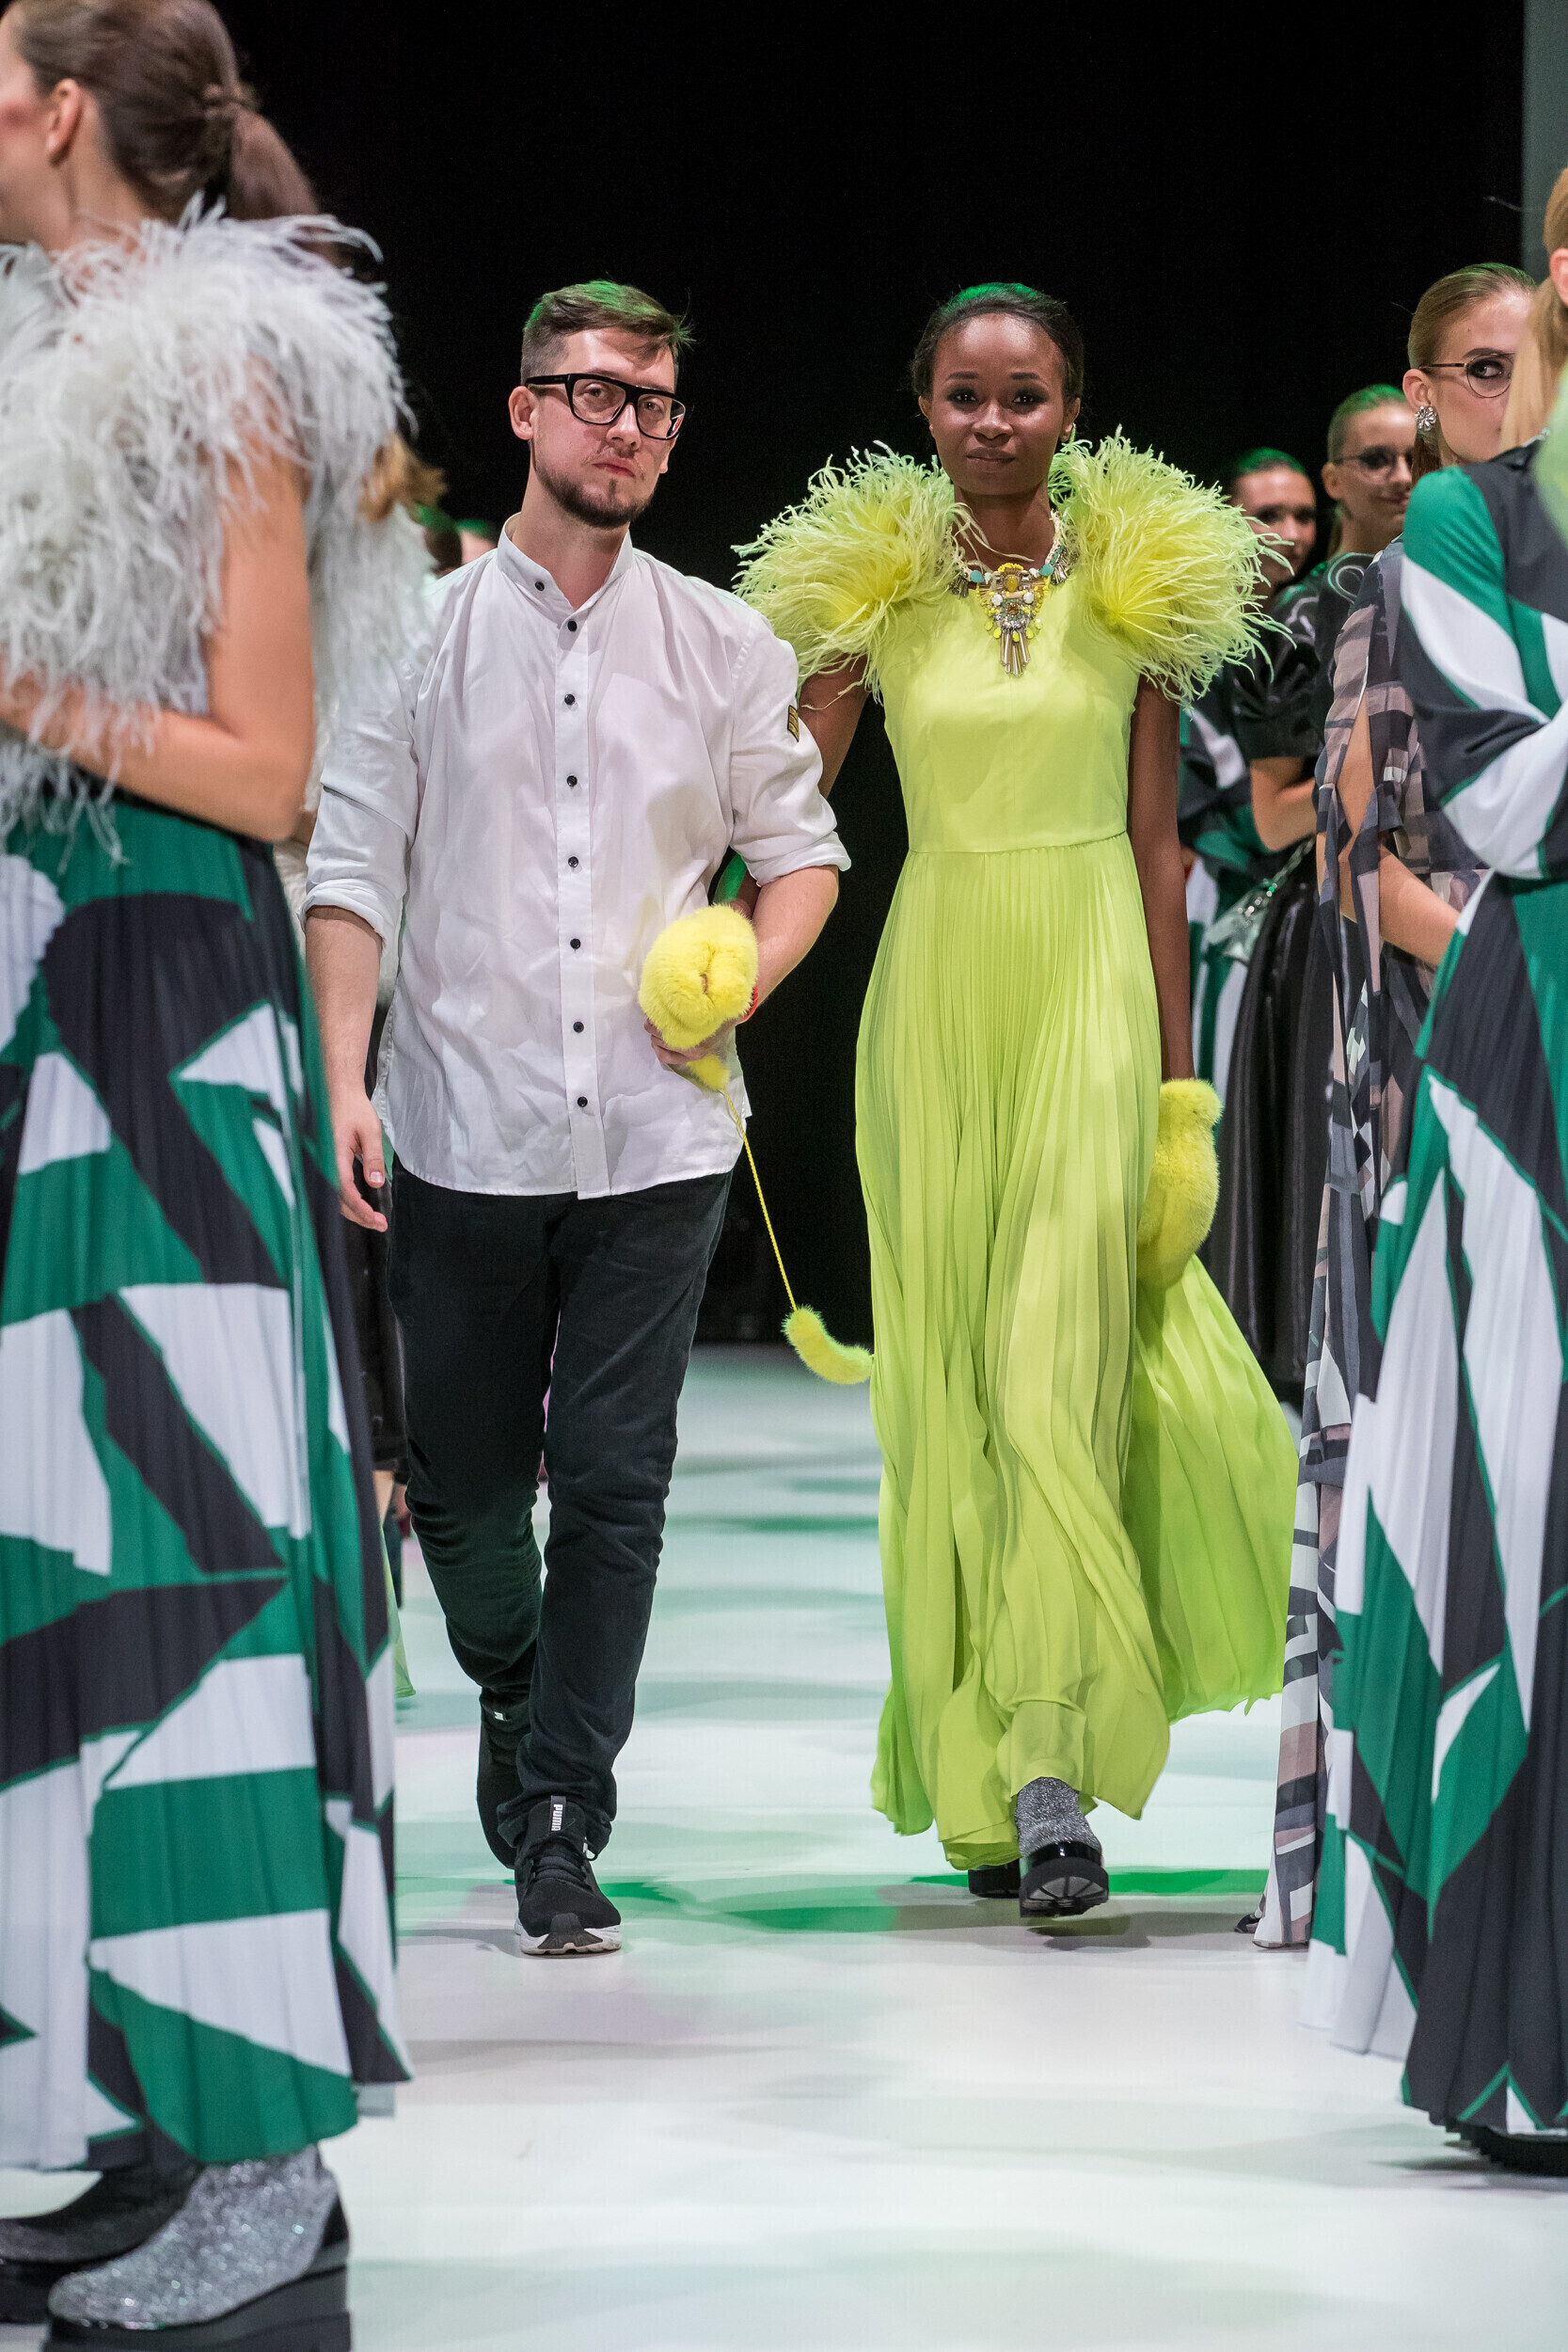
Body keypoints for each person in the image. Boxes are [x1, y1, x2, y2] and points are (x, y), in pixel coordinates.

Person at [0, 0, 420, 2342]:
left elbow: (263, 766)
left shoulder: (222, 359)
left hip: (167, 1001)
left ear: (60, 108)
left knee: (195, 1549)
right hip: (67, 985)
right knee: (72, 1543)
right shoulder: (56, 350)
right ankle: (154, 2115)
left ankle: (263, 2160)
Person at [737, 283, 1296, 1919]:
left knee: (1057, 1373)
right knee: (953, 1395)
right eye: (966, 395)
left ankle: (1052, 1766)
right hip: (932, 993)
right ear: (924, 408)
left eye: (1024, 394)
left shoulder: (1137, 579)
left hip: (1086, 985)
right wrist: (711, 964)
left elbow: (1157, 847)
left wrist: (1178, 1090)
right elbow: (784, 810)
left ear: (1070, 409)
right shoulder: (869, 588)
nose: (993, 420)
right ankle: (980, 1771)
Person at [306, 278, 847, 1959]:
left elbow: (802, 855)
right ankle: (515, 1685)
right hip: (459, 1119)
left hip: (658, 1133)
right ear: (526, 407)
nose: (627, 427)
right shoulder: (408, 631)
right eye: (596, 393)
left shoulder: (722, 641)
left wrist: (745, 973)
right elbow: (349, 867)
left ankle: (560, 1816)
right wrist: (341, 1076)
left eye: (655, 404)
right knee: (465, 1496)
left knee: (614, 1485)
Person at [1303, 179, 1568, 2169]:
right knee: (1527, 1515)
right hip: (1534, 1053)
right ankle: (1525, 2034)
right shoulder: (1476, 521)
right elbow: (1496, 798)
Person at [1256, 263, 1532, 1948]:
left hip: (1527, 1041)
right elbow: (1362, 860)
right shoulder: (1391, 589)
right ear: (1420, 398)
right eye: (1479, 368)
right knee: (1421, 1451)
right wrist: (1522, 980)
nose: (1515, 392)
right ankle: (1400, 1869)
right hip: (1437, 1054)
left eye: (1534, 361)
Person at [1204, 387, 1415, 1400]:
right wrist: (1382, 788)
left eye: (1413, 457)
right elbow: (1273, 816)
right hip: (1331, 922)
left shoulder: (1456, 594)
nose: (1401, 476)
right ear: (1333, 478)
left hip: (1434, 901)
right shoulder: (1301, 618)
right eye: (1375, 459)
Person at [1181, 448, 1318, 1102]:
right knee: (1226, 1086)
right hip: (1227, 896)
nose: (1289, 533)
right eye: (1268, 515)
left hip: (1313, 887)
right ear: (1225, 520)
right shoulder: (1183, 642)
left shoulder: (1320, 623)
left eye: (1304, 516)